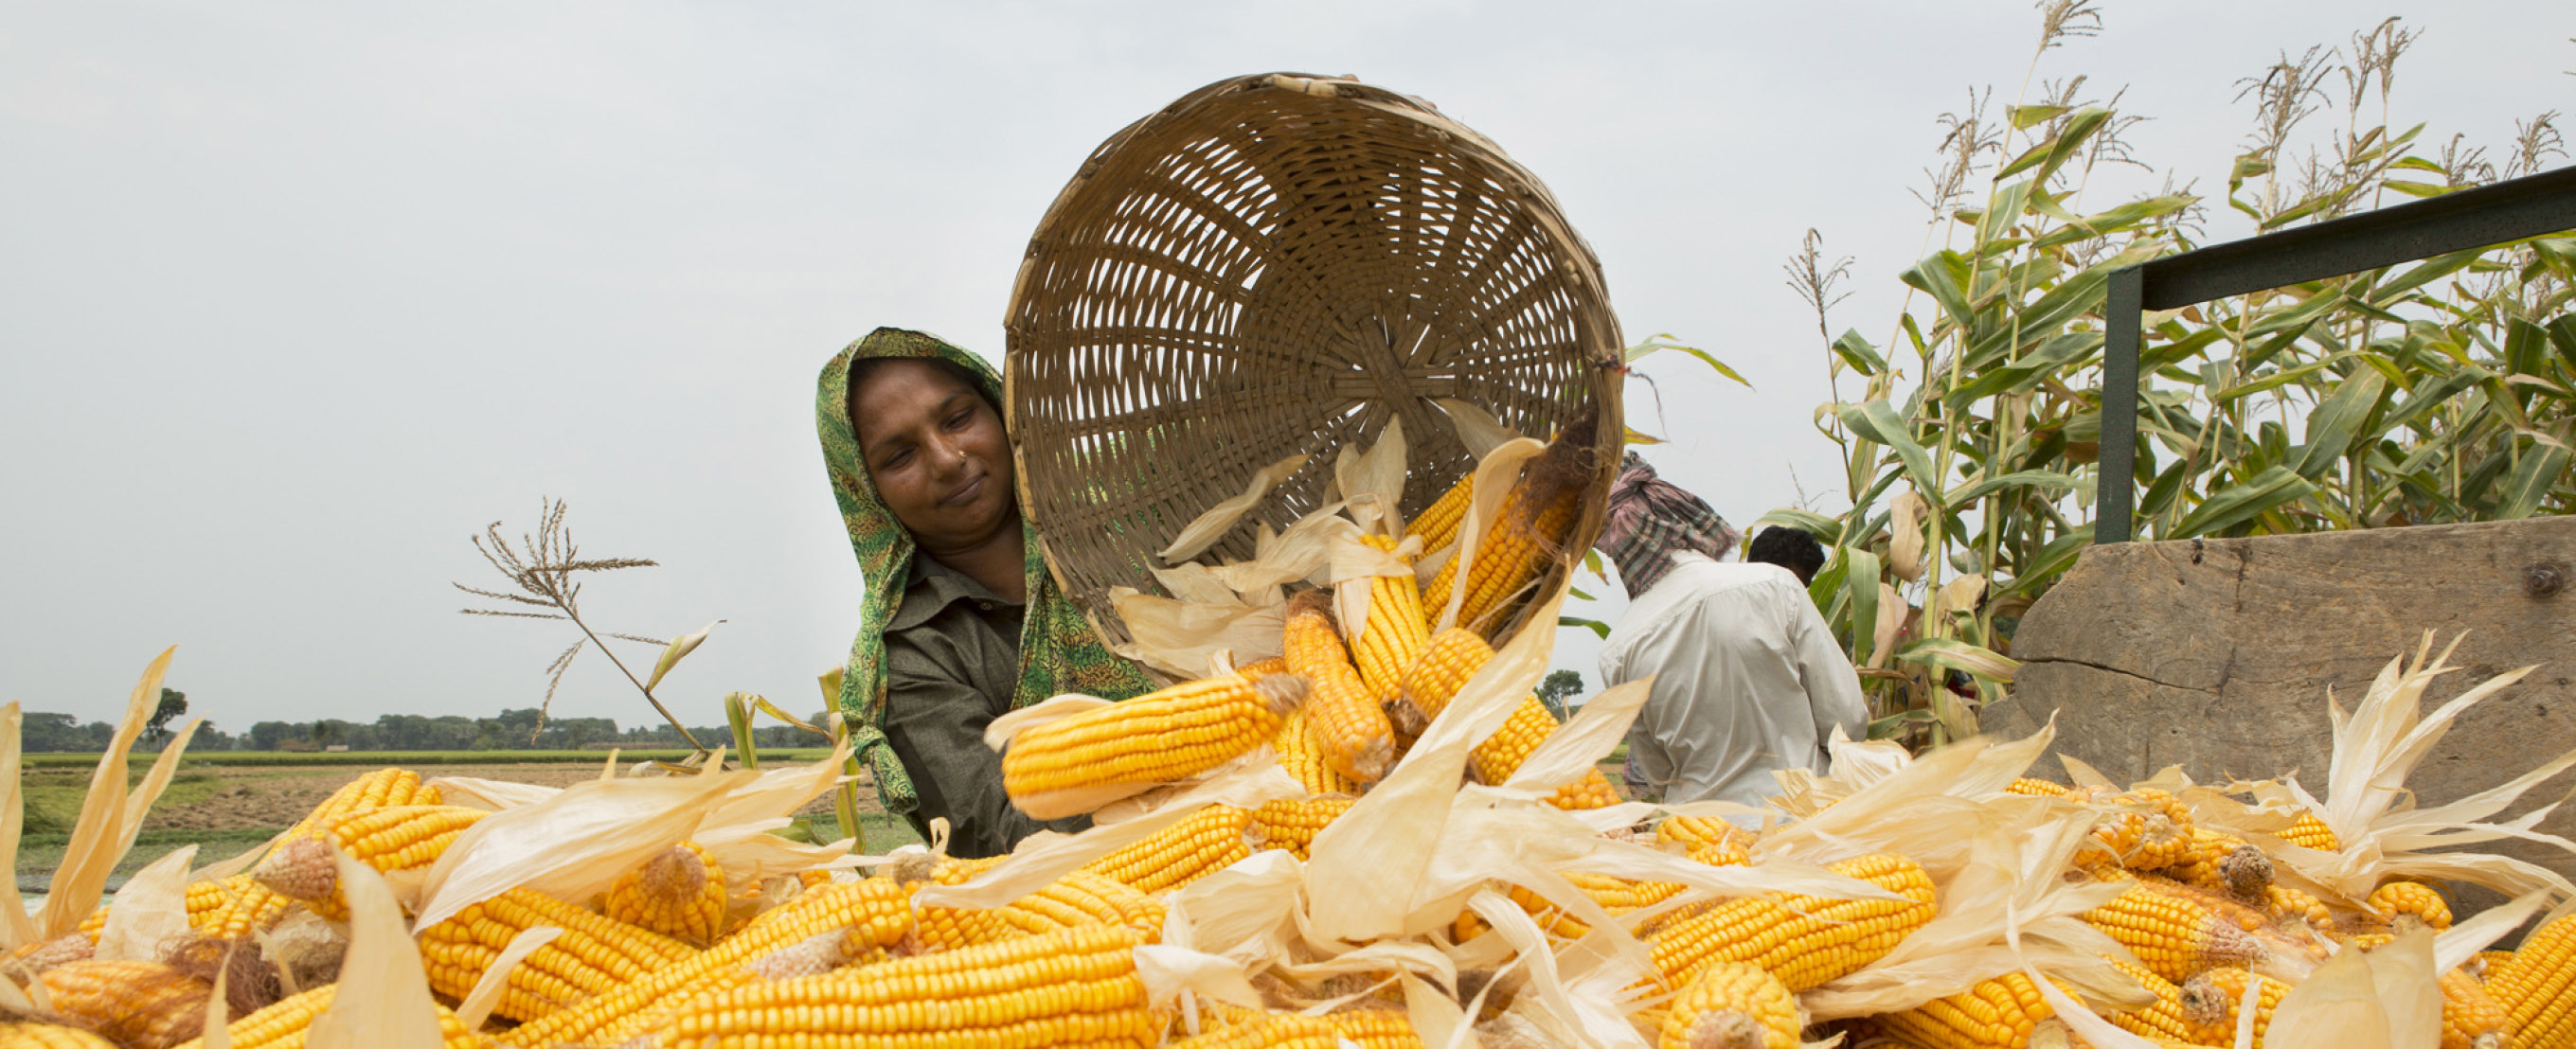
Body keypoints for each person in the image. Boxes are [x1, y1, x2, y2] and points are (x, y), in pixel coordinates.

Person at [816, 328, 1159, 858]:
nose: (947, 458)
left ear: (1002, 408)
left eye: (957, 419)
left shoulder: (1140, 504)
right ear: (867, 492)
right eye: (900, 456)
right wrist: (1179, 752)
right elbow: (1012, 839)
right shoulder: (910, 662)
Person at [1592, 453, 1867, 811]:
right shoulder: (1774, 585)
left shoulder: (1618, 650)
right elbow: (1848, 720)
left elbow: (1659, 775)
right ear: (1683, 514)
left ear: (1618, 550)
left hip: (1701, 844)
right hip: (1804, 822)